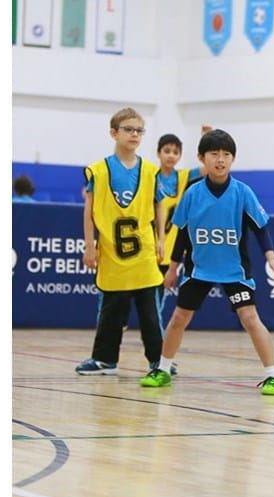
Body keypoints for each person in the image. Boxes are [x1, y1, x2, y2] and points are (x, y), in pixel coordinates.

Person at [140, 129, 274, 396]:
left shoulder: (243, 193)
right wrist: (173, 268)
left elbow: (260, 229)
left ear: (233, 159)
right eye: (214, 154)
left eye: (226, 154)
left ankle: (273, 375)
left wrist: (271, 257)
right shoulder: (193, 194)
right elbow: (183, 234)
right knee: (178, 318)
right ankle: (163, 369)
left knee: (250, 317)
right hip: (199, 269)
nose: (221, 160)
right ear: (201, 158)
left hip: (235, 270)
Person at [75, 107, 167, 375]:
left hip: (143, 253)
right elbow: (89, 211)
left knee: (150, 313)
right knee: (111, 311)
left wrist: (161, 239)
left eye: (139, 130)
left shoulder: (150, 171)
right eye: (128, 129)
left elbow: (159, 204)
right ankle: (105, 359)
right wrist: (89, 245)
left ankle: (159, 361)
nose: (134, 134)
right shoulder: (99, 171)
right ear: (114, 133)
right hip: (113, 253)